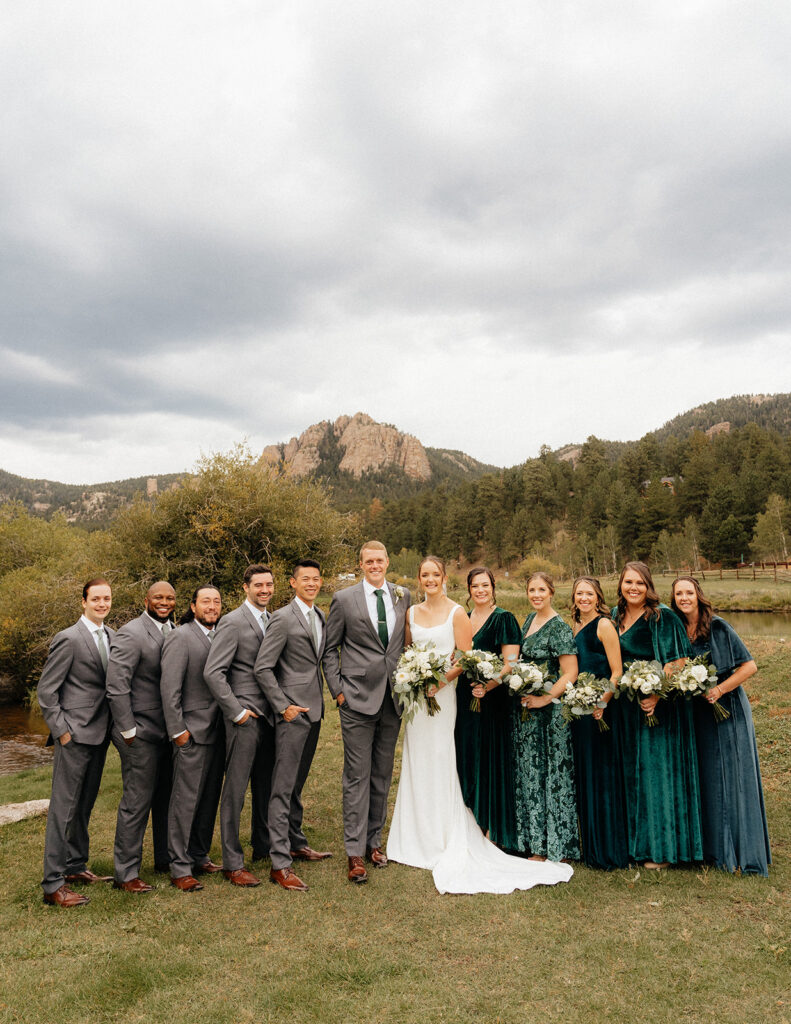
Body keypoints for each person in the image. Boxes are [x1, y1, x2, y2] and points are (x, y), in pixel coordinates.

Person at [386, 556, 573, 894]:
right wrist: (415, 676)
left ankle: (471, 829)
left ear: (444, 578)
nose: (430, 579)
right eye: (475, 586)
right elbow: (410, 651)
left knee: (452, 760)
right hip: (432, 696)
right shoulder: (416, 614)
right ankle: (416, 834)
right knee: (428, 761)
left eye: (435, 575)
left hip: (459, 697)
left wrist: (447, 682)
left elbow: (470, 656)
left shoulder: (468, 615)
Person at [323, 541, 411, 885]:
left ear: (388, 562)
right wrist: (339, 692)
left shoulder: (403, 595)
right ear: (361, 564)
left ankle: (375, 842)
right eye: (369, 561)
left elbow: (406, 643)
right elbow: (330, 650)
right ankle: (354, 853)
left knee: (382, 774)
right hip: (356, 700)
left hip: (393, 699)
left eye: (380, 560)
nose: (375, 565)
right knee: (357, 776)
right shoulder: (344, 599)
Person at [671, 576, 771, 876]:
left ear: (698, 595)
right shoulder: (678, 629)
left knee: (732, 777)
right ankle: (712, 849)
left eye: (689, 592)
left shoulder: (718, 625)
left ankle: (741, 851)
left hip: (727, 709)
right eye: (679, 593)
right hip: (699, 714)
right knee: (709, 777)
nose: (684, 598)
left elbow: (749, 665)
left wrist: (720, 690)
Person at [613, 561, 701, 868]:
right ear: (621, 585)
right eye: (628, 583)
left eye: (639, 583)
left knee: (656, 775)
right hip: (626, 707)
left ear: (648, 586)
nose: (633, 588)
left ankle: (663, 850)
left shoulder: (662, 616)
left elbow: (677, 661)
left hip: (658, 707)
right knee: (631, 775)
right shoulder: (615, 615)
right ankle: (636, 846)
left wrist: (654, 692)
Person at [255, 559, 331, 892]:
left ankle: (296, 842)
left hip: (314, 712)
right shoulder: (282, 619)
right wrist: (282, 706)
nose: (311, 584)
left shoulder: (320, 616)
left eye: (316, 579)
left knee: (297, 784)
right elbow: (263, 668)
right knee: (282, 787)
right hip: (291, 714)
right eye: (305, 579)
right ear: (293, 583)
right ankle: (279, 863)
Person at [38, 578, 115, 907]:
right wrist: (62, 732)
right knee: (63, 810)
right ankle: (53, 885)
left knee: (84, 805)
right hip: (74, 736)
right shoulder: (68, 639)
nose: (101, 604)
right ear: (83, 602)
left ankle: (75, 865)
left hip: (100, 734)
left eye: (106, 598)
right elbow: (46, 691)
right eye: (95, 598)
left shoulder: (112, 636)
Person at [203, 564, 275, 887]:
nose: (264, 590)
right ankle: (233, 862)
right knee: (235, 792)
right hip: (244, 720)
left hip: (270, 718)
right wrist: (237, 713)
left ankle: (264, 846)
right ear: (245, 587)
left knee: (265, 787)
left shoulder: (272, 620)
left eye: (269, 584)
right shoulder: (232, 622)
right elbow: (213, 673)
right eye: (258, 585)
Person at [106, 581, 176, 893]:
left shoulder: (174, 630)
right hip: (139, 733)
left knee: (166, 799)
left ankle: (164, 858)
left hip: (167, 731)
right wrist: (128, 730)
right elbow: (117, 685)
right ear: (146, 600)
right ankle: (126, 873)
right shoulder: (131, 633)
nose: (164, 602)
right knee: (137, 802)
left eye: (170, 598)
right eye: (158, 598)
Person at [510, 572, 580, 862]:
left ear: (552, 592)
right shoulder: (528, 621)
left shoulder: (560, 627)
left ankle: (554, 846)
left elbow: (570, 672)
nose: (536, 595)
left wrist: (545, 699)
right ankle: (532, 842)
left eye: (541, 590)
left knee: (550, 776)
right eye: (531, 590)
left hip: (550, 715)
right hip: (526, 714)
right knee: (529, 774)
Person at [160, 585, 224, 892]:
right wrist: (178, 731)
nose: (212, 606)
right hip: (191, 733)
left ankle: (200, 854)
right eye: (206, 601)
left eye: (216, 601)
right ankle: (179, 866)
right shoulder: (181, 636)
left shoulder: (222, 633)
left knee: (209, 798)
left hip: (219, 731)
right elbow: (169, 689)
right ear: (193, 606)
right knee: (184, 802)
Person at [454, 567, 521, 848]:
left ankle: (492, 828)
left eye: (485, 585)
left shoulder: (504, 618)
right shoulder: (464, 618)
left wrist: (489, 685)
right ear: (468, 589)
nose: (480, 590)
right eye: (474, 586)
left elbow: (512, 662)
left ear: (493, 587)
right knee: (467, 755)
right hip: (464, 699)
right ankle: (469, 823)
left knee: (489, 759)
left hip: (493, 702)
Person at [569, 576, 627, 870]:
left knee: (602, 776)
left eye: (589, 593)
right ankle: (589, 848)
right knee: (585, 774)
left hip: (602, 710)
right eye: (579, 594)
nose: (584, 598)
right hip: (579, 710)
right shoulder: (574, 627)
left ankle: (608, 850)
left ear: (597, 596)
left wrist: (602, 702)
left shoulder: (604, 625)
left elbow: (617, 671)